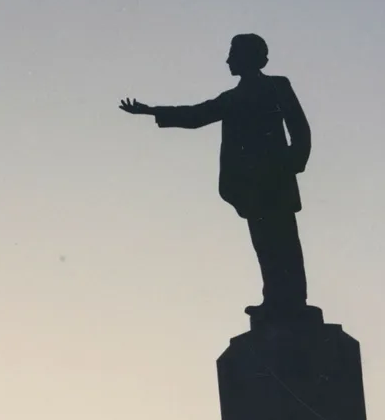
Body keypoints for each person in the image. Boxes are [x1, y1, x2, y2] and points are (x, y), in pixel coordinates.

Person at [120, 33, 311, 321]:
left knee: (285, 243)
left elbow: (299, 127)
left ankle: (294, 302)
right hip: (251, 186)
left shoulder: (277, 86)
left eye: (233, 53)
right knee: (265, 245)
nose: (228, 59)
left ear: (250, 57)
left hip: (276, 179)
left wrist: (294, 162)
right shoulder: (232, 98)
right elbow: (196, 115)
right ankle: (274, 298)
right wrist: (150, 111)